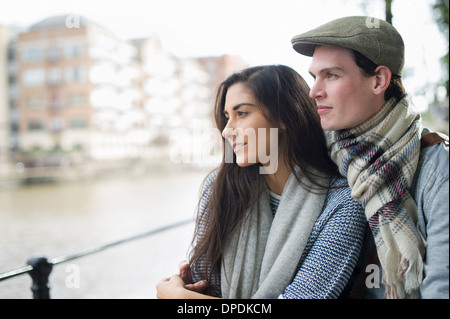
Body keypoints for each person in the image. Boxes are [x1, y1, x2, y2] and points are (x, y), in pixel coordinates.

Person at [156, 65, 367, 299]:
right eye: (227, 117)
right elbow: (206, 281)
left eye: (242, 113)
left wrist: (181, 299)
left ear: (285, 117)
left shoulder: (341, 205)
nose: (227, 131)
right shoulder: (220, 187)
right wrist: (189, 289)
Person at [291, 16, 449, 299]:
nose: (314, 91)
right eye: (314, 77)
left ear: (378, 80)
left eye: (332, 75)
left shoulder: (439, 167)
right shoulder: (318, 159)